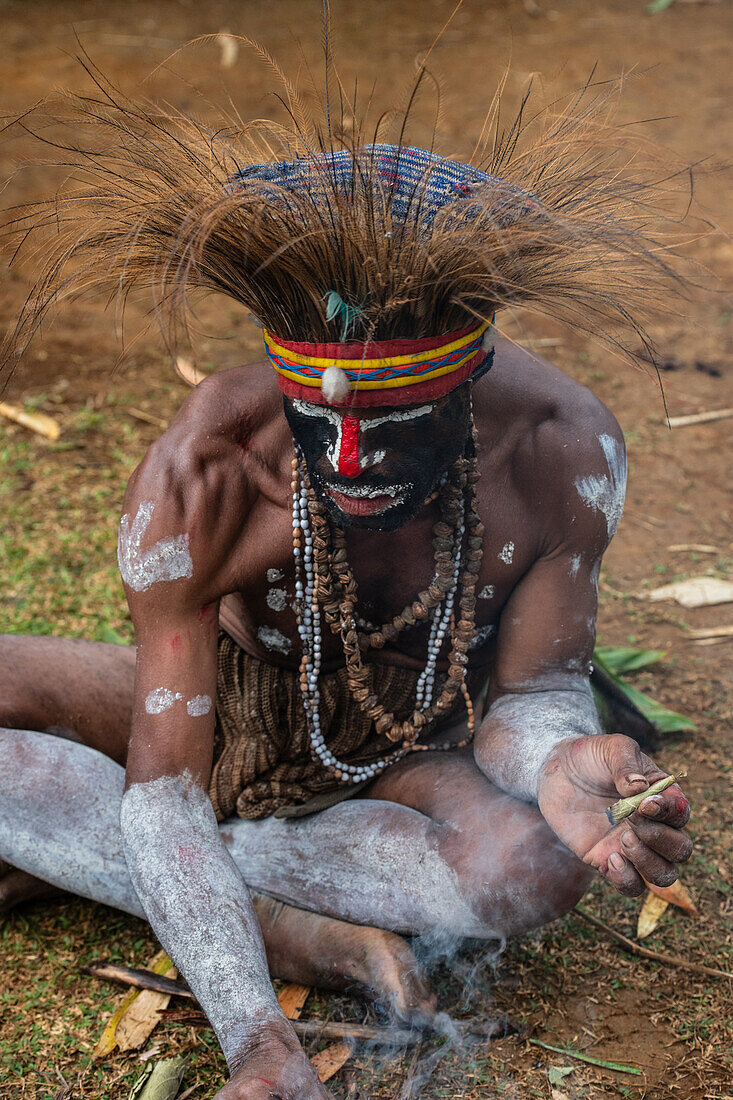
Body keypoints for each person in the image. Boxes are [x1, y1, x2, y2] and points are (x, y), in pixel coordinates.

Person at [0, 102, 692, 1099]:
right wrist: (256, 1036)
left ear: (467, 384)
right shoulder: (210, 471)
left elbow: (530, 693)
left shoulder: (557, 451)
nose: (354, 459)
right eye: (322, 420)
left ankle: (177, 886)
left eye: (395, 422)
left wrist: (557, 755)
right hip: (234, 718)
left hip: (424, 746)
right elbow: (165, 787)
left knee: (537, 864)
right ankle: (282, 924)